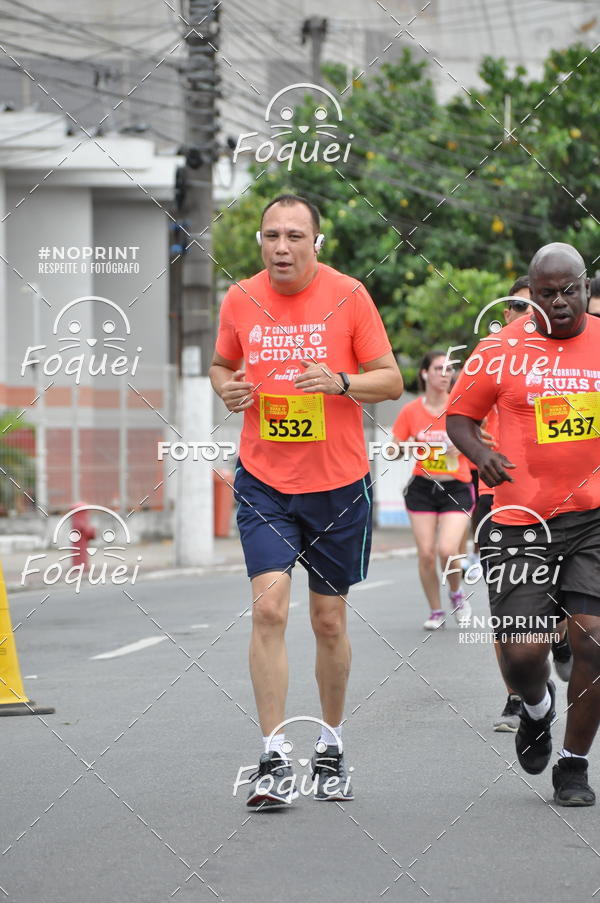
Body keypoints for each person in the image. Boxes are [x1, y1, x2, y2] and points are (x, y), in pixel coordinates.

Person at [209, 193, 403, 808]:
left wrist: (341, 382)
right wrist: (227, 389)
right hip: (264, 480)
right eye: (272, 235)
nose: (282, 247)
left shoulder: (350, 295)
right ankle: (272, 756)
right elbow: (220, 364)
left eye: (295, 236)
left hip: (337, 485)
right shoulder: (240, 298)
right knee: (268, 610)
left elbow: (391, 379)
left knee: (328, 620)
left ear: (316, 242)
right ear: (260, 242)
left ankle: (331, 743)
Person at [447, 242, 600, 806]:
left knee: (594, 640)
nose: (558, 302)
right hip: (520, 520)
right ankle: (536, 709)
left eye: (569, 291)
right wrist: (480, 455)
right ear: (530, 295)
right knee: (522, 654)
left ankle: (574, 765)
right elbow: (459, 418)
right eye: (546, 294)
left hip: (593, 517)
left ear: (586, 288)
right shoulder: (499, 349)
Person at [473, 276, 571, 733]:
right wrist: (477, 437)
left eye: (538, 306)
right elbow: (457, 417)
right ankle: (518, 696)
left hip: (558, 499)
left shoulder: (564, 356)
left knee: (562, 596)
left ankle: (562, 638)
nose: (530, 314)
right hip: (497, 498)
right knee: (507, 608)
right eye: (520, 306)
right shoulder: (491, 356)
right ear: (506, 312)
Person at [391, 350, 473, 630]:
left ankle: (456, 593)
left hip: (457, 488)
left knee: (447, 549)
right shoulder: (411, 411)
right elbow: (392, 449)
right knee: (426, 553)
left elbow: (482, 438)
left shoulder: (461, 406)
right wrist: (410, 447)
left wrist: (463, 445)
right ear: (424, 373)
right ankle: (435, 610)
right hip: (423, 488)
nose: (445, 374)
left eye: (449, 369)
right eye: (438, 368)